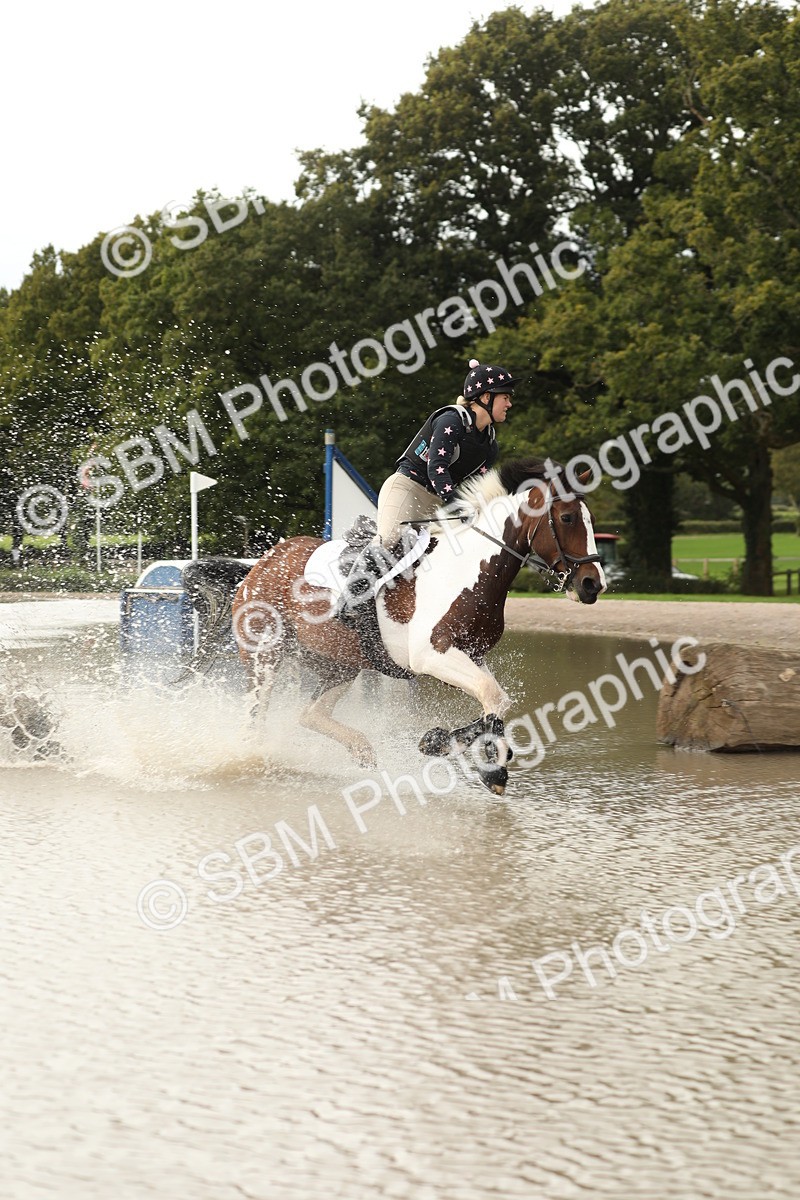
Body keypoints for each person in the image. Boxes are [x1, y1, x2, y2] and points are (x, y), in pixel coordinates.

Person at [336, 358, 517, 637]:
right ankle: (347, 601)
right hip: (407, 488)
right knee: (389, 539)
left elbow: (478, 485)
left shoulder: (488, 444)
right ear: (485, 397)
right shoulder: (451, 420)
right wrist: (457, 504)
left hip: (436, 500)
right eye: (505, 397)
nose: (509, 404)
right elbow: (437, 468)